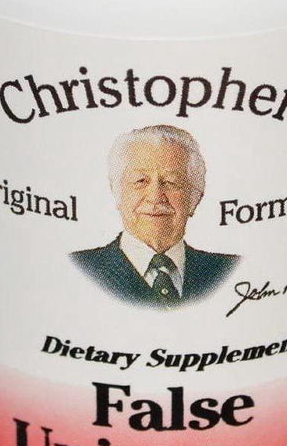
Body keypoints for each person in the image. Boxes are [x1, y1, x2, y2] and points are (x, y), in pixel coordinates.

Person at [70, 124, 239, 308]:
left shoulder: (229, 271)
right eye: (141, 181)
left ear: (195, 196)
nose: (155, 196)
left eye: (171, 182)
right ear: (117, 192)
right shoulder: (78, 270)